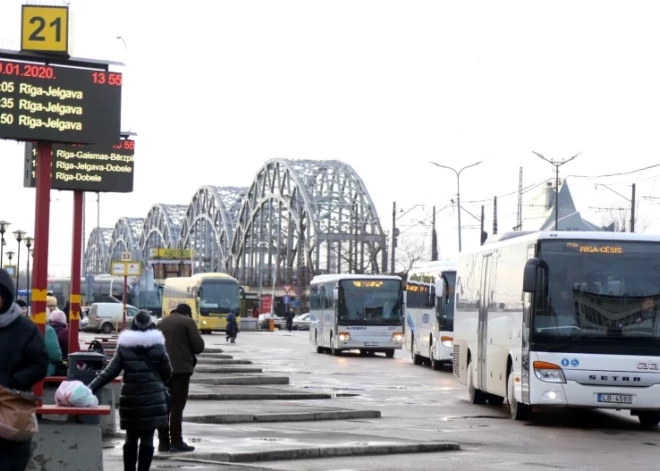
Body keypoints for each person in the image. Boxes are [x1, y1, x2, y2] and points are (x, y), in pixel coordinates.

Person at [89, 310, 172, 471]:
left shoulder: (124, 347)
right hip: (154, 399)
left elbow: (110, 372)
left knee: (131, 437)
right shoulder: (158, 346)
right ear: (151, 326)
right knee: (148, 438)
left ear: (133, 326)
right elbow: (168, 372)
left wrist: (91, 388)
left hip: (131, 399)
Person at [0, 268, 48, 470]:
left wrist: (12, 383)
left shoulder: (25, 329)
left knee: (11, 461)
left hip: (12, 408)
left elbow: (40, 363)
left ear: (7, 296)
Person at [157, 304, 204, 453]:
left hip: (162, 371)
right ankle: (176, 441)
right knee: (177, 405)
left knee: (164, 406)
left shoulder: (161, 323)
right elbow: (199, 347)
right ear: (187, 313)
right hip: (181, 371)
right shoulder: (187, 322)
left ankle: (163, 442)